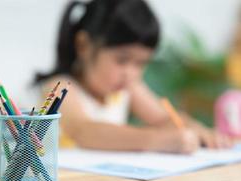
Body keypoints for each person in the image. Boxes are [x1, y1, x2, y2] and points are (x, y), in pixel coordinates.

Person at [35, 0, 233, 153]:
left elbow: (164, 118)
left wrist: (198, 130)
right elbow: (85, 131)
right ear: (84, 45)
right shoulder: (60, 88)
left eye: (141, 63)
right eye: (122, 60)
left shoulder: (128, 87)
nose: (131, 73)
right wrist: (157, 140)